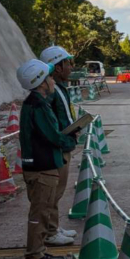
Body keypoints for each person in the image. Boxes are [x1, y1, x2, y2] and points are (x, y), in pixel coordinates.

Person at [17, 58, 76, 259]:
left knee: (41, 211)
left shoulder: (33, 103)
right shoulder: (39, 105)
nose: (53, 80)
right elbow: (52, 135)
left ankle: (38, 251)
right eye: (49, 77)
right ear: (41, 82)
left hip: (40, 166)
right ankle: (34, 256)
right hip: (42, 167)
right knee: (40, 212)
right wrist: (70, 140)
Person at [40, 45, 79, 246]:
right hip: (58, 149)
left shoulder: (60, 89)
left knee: (58, 191)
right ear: (57, 67)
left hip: (64, 146)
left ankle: (53, 227)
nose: (71, 67)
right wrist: (67, 138)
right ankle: (49, 232)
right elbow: (54, 124)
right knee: (52, 193)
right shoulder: (52, 91)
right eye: (67, 63)